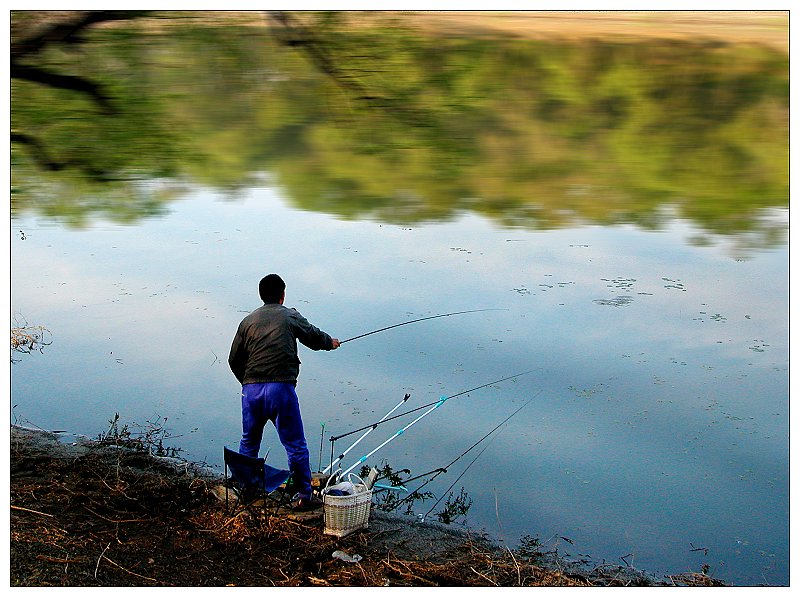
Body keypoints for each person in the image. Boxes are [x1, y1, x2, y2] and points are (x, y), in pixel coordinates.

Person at [228, 274, 340, 511]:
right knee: (295, 444)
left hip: (252, 391)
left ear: (261, 296)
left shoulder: (247, 322)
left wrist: (247, 383)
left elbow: (233, 359)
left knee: (249, 441)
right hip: (281, 389)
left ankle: (247, 488)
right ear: (282, 295)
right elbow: (312, 336)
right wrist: (330, 342)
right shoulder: (289, 315)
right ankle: (303, 496)